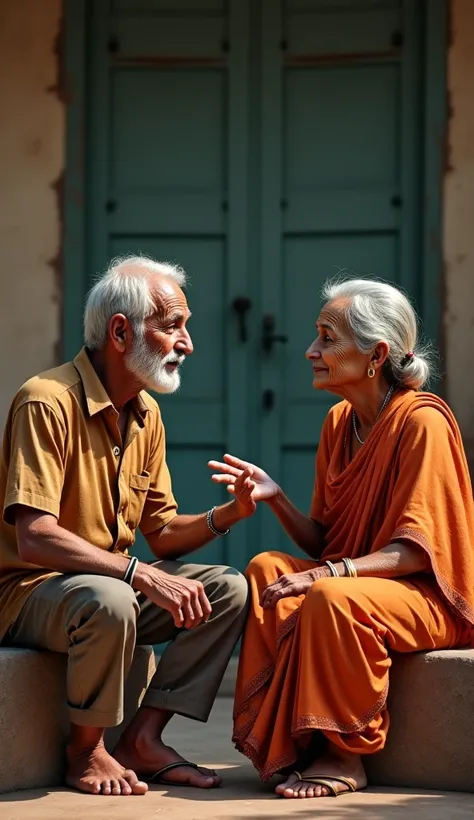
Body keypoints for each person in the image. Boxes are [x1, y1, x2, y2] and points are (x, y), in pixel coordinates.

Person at [209, 277, 474, 800]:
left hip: (428, 598)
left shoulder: (424, 423)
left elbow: (416, 552)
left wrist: (330, 573)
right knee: (266, 567)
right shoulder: (339, 423)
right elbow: (326, 543)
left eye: (327, 339)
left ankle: (345, 755)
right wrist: (275, 496)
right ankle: (291, 744)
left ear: (376, 355)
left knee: (330, 592)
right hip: (362, 589)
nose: (310, 351)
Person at [0, 254, 250, 797]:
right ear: (120, 331)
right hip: (29, 594)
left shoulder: (146, 414)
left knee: (227, 589)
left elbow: (161, 532)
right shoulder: (46, 402)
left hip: (106, 588)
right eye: (173, 326)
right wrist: (138, 573)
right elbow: (33, 534)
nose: (187, 343)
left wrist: (227, 514)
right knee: (110, 599)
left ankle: (142, 736)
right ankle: (85, 751)